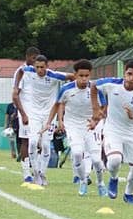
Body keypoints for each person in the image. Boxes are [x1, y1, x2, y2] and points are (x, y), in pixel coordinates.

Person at [90, 60, 133, 205]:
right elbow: (93, 85)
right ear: (124, 73)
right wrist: (96, 109)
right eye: (129, 74)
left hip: (132, 133)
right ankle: (113, 179)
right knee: (114, 161)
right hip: (112, 130)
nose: (131, 78)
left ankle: (128, 194)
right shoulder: (112, 84)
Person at [45, 59, 107, 196]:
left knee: (96, 159)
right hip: (73, 125)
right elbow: (57, 104)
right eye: (81, 76)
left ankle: (101, 183)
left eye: (87, 76)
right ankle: (83, 180)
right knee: (77, 153)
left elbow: (104, 106)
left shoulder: (95, 89)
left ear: (90, 75)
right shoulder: (66, 89)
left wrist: (96, 120)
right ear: (75, 75)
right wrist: (51, 122)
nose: (84, 79)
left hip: (92, 125)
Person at [13, 55, 70, 187]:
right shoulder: (29, 70)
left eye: (42, 67)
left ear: (47, 66)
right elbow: (20, 70)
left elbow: (73, 76)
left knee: (45, 145)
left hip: (49, 116)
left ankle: (42, 173)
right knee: (32, 142)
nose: (39, 70)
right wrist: (16, 86)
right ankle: (36, 173)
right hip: (33, 115)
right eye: (37, 67)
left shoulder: (55, 75)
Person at [11, 46, 41, 182]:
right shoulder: (21, 71)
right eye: (33, 58)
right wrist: (23, 114)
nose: (35, 61)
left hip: (37, 113)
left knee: (38, 142)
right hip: (26, 112)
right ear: (27, 57)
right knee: (26, 141)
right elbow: (15, 95)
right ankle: (26, 173)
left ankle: (37, 170)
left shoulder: (36, 73)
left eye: (37, 59)